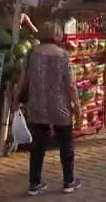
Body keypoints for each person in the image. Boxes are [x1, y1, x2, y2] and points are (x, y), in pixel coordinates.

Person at [12, 21, 82, 196]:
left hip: (38, 106)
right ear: (58, 35)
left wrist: (16, 100)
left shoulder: (31, 54)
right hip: (61, 108)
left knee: (38, 147)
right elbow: (70, 86)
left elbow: (23, 80)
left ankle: (34, 183)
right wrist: (77, 107)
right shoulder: (63, 55)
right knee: (66, 145)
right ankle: (68, 181)